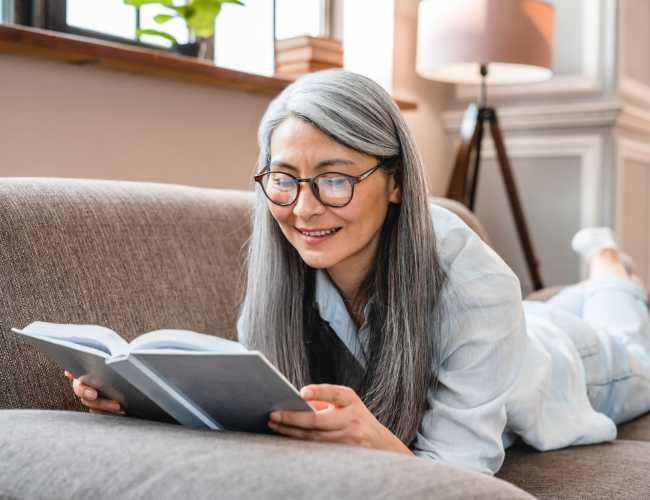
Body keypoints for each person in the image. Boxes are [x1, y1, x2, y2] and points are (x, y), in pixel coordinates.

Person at [64, 69, 650, 476]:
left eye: (336, 178)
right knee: (558, 307)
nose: (304, 207)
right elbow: (257, 411)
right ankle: (593, 279)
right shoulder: (283, 259)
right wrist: (146, 399)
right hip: (510, 328)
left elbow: (458, 475)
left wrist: (374, 440)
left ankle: (607, 265)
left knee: (627, 336)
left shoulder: (475, 285)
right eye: (285, 177)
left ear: (395, 182)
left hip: (569, 366)